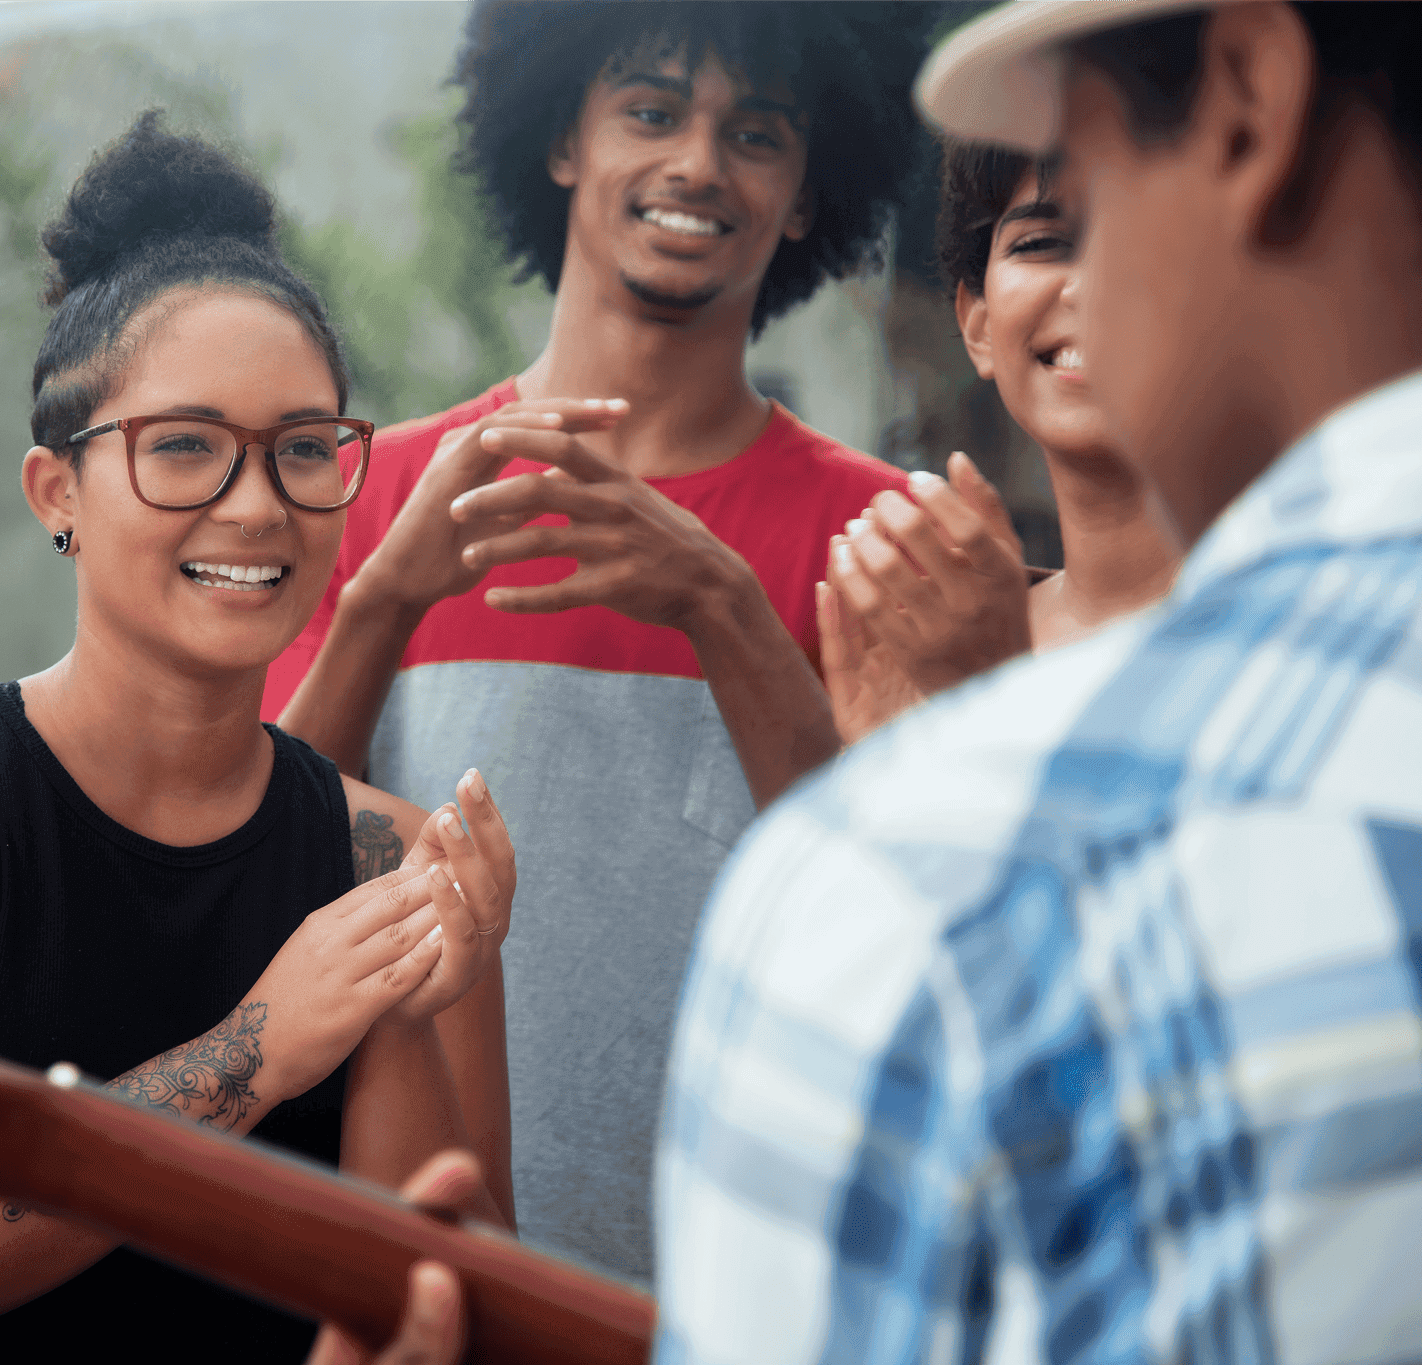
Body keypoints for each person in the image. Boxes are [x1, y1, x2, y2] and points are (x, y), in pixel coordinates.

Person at [649, 0, 1422, 1359]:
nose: (1082, 283)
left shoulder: (927, 878)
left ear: (1249, 95)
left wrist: (929, 756)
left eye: (1089, 175)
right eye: (1032, 239)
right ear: (968, 315)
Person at [0, 111, 517, 1365]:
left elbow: (434, 1316)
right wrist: (249, 1056)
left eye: (304, 449)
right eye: (186, 447)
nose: (254, 505)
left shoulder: (392, 863)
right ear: (58, 493)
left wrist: (402, 1014)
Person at [266, 0, 930, 1283]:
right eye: (649, 109)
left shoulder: (881, 536)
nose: (694, 162)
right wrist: (382, 603)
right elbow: (245, 876)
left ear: (806, 194)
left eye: (755, 133)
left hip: (755, 1291)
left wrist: (726, 608)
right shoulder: (373, 493)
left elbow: (904, 932)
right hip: (399, 1287)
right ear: (561, 137)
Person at [816, 141, 1180, 741]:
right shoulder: (923, 647)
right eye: (1040, 245)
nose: (1086, 288)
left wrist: (990, 715)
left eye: (1145, 237)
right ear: (977, 326)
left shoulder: (1326, 622)